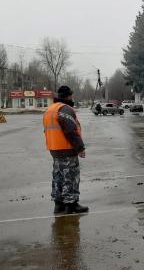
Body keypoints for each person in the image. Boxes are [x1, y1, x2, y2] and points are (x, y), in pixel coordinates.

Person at [43, 85, 89, 214]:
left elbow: (46, 130)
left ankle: (59, 205)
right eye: (71, 95)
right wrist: (80, 148)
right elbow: (71, 131)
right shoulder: (65, 109)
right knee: (70, 175)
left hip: (54, 148)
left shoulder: (50, 109)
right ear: (68, 96)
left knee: (58, 176)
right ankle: (71, 204)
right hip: (66, 148)